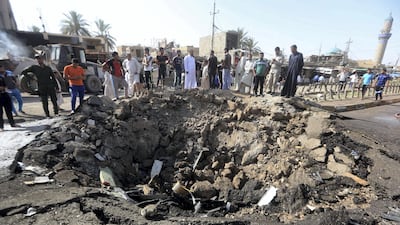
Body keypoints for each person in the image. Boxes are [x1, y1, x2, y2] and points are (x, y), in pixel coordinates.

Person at [0, 65, 16, 131]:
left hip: (6, 94)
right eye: (1, 68)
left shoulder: (6, 75)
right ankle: (1, 127)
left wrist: (12, 84)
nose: (2, 69)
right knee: (0, 113)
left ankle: (12, 123)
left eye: (2, 68)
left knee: (9, 111)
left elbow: (9, 83)